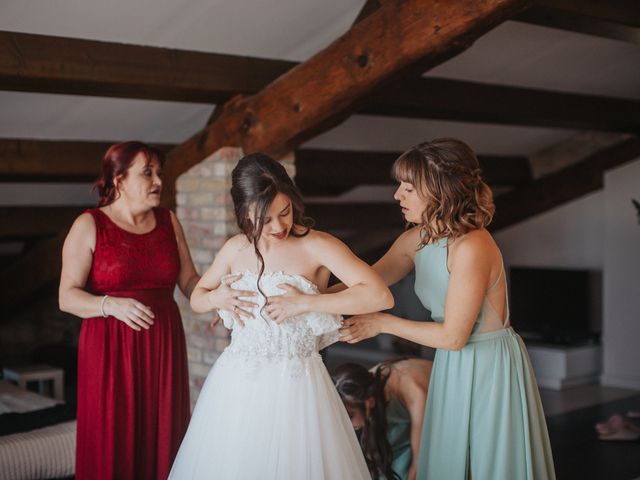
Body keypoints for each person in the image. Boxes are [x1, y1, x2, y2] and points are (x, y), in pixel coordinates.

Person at [338, 138, 556, 479]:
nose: (397, 195)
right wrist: (310, 294)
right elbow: (367, 283)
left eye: (408, 188)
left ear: (440, 191)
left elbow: (454, 336)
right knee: (448, 461)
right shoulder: (416, 240)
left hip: (487, 364)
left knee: (491, 463)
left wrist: (383, 323)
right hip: (451, 363)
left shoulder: (473, 246)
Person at [168, 152, 394, 479]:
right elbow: (198, 299)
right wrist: (221, 296)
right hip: (237, 383)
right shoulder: (235, 249)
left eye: (284, 212)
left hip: (298, 384)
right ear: (244, 213)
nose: (278, 227)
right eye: (265, 219)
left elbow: (378, 294)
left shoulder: (317, 245)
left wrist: (307, 303)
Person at [59, 141, 200, 480]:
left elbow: (190, 281)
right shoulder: (90, 224)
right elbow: (67, 297)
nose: (158, 182)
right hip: (109, 351)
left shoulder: (169, 222)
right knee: (114, 439)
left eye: (159, 173)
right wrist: (110, 304)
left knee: (164, 436)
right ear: (119, 180)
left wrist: (219, 297)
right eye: (147, 173)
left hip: (164, 349)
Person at [332, 359, 433, 480]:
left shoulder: (415, 393)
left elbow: (419, 462)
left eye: (349, 417)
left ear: (369, 403)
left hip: (431, 414)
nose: (345, 425)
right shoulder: (353, 386)